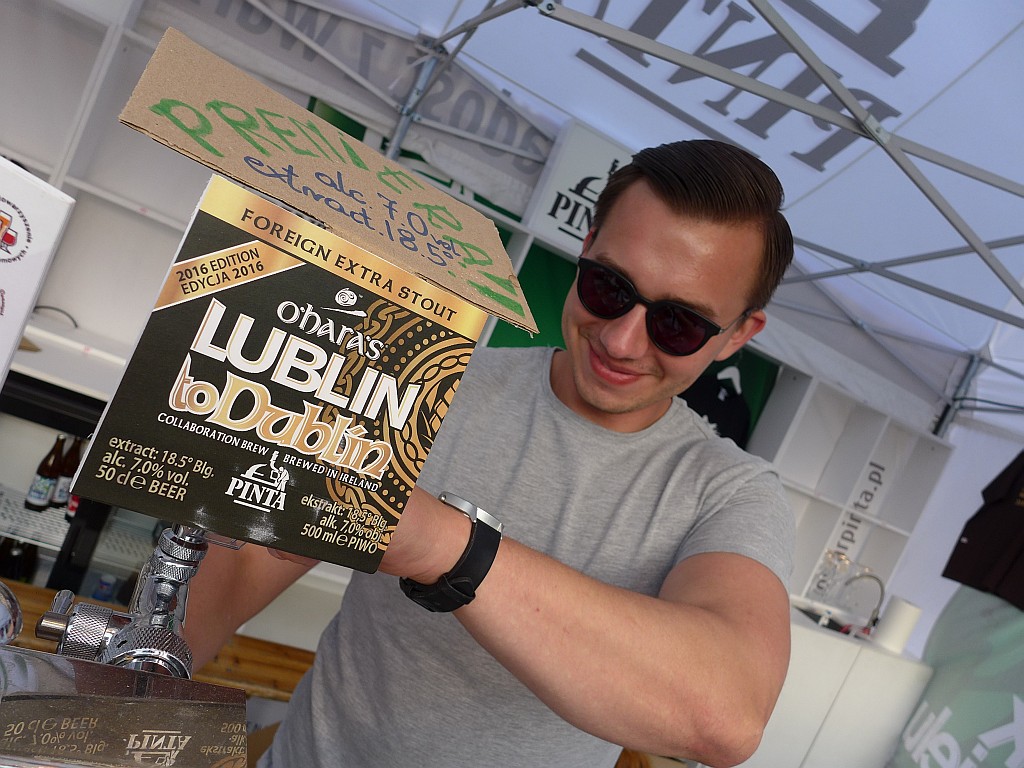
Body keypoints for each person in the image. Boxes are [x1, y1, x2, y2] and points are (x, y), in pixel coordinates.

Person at [186, 139, 796, 768]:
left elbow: (726, 716)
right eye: (609, 287)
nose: (621, 340)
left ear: (738, 335)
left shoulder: (731, 491)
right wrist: (137, 680)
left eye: (679, 324)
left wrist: (440, 544)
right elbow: (246, 561)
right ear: (585, 248)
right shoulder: (428, 382)